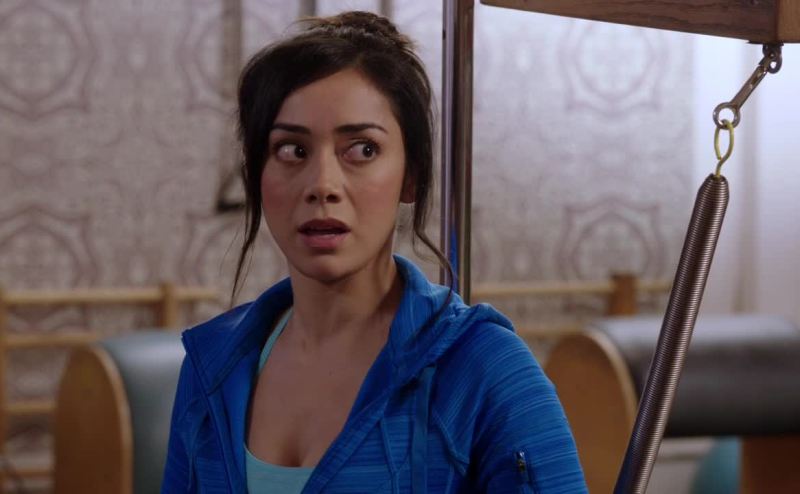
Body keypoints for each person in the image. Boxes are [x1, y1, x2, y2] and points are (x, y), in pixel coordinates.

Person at [161, 11, 587, 494]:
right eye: (292, 150)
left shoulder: (482, 368)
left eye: (362, 150)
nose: (322, 185)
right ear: (257, 173)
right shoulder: (213, 365)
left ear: (411, 177)